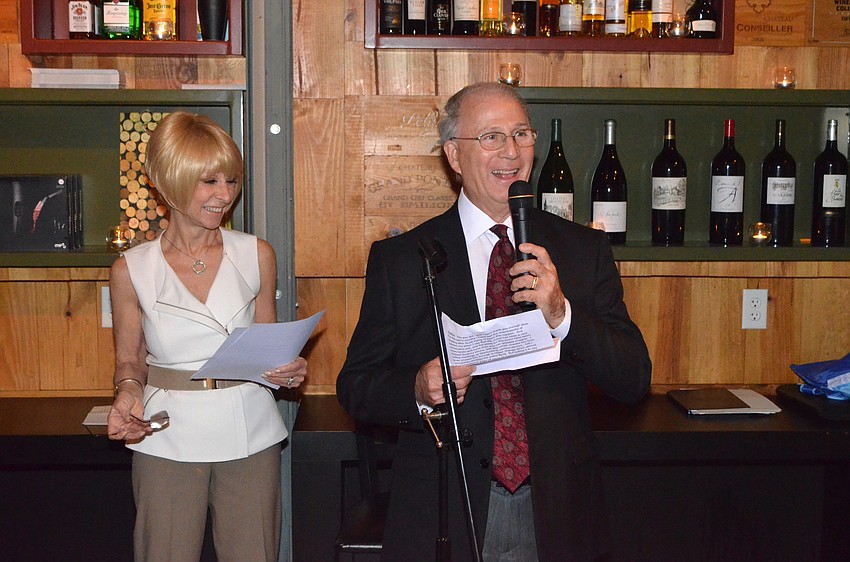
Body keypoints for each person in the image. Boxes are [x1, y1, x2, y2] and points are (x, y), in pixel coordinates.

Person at [336, 82, 651, 562]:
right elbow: (356, 385)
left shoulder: (582, 251)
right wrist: (418, 389)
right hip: (445, 507)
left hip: (555, 509)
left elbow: (633, 379)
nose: (511, 151)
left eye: (521, 133)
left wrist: (562, 313)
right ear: (454, 157)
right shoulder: (403, 259)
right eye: (491, 137)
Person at [106, 111, 307, 562]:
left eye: (231, 181)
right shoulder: (131, 269)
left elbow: (268, 349)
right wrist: (127, 394)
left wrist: (288, 370)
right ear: (168, 182)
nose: (224, 195)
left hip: (249, 432)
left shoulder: (256, 254)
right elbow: (129, 361)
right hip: (165, 434)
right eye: (208, 182)